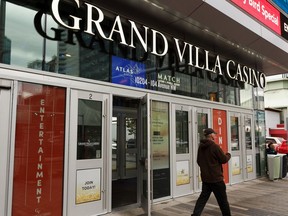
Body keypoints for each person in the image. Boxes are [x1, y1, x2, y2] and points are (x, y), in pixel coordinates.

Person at [191, 128, 231, 216]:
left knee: (202, 199)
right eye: (214, 134)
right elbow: (224, 159)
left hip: (206, 179)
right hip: (216, 179)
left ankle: (195, 215)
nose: (215, 136)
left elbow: (198, 161)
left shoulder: (201, 147)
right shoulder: (215, 146)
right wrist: (228, 155)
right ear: (211, 135)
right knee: (223, 201)